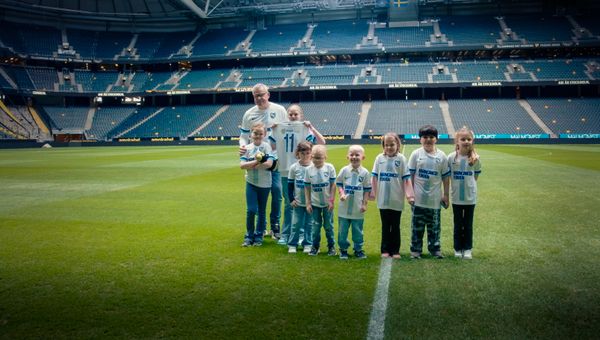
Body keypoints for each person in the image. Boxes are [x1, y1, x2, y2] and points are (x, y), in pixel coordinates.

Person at [239, 83, 288, 240]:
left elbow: (288, 129)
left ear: (268, 94)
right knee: (260, 192)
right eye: (256, 95)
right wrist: (242, 146)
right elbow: (243, 135)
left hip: (275, 158)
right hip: (255, 158)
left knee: (277, 191)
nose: (259, 98)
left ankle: (275, 226)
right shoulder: (249, 114)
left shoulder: (279, 110)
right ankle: (262, 227)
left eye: (261, 94)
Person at [272, 104, 326, 246]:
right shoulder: (279, 127)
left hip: (303, 170)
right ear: (287, 115)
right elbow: (271, 146)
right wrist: (273, 129)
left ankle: (301, 235)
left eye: (296, 114)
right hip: (285, 169)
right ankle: (286, 234)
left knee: (303, 202)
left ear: (300, 115)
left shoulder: (304, 127)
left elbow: (322, 142)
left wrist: (311, 127)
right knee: (289, 203)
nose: (293, 116)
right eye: (290, 114)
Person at [408, 125, 450, 259]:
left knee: (434, 228)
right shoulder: (416, 154)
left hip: (434, 200)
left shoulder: (442, 156)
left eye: (431, 137)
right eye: (425, 137)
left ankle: (435, 249)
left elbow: (445, 177)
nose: (428, 140)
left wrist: (446, 195)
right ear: (420, 139)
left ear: (436, 139)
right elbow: (411, 176)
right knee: (417, 228)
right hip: (418, 200)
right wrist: (410, 194)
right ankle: (416, 250)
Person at [370, 133, 415, 259]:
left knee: (395, 226)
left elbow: (406, 179)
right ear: (383, 146)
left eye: (392, 145)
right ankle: (385, 249)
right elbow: (374, 177)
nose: (389, 147)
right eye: (386, 145)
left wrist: (410, 196)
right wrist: (372, 194)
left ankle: (395, 250)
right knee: (385, 225)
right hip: (383, 199)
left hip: (396, 199)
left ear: (397, 145)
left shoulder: (401, 159)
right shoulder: (379, 158)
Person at [239, 122, 275, 247]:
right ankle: (249, 236)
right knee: (251, 210)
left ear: (264, 134)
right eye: (255, 133)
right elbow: (242, 165)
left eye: (260, 133)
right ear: (251, 134)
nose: (258, 135)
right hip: (251, 183)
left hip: (265, 184)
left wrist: (254, 163)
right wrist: (258, 161)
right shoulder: (246, 148)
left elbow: (269, 164)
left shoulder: (267, 147)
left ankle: (258, 236)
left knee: (261, 211)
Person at [448, 127, 481, 260]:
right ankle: (457, 248)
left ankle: (467, 249)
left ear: (472, 141)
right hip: (456, 197)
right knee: (457, 224)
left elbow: (476, 176)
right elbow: (447, 175)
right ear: (457, 141)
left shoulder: (475, 159)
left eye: (469, 139)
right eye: (463, 139)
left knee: (468, 225)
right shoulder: (451, 157)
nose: (466, 141)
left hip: (470, 198)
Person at [336, 145, 371, 260]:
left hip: (357, 208)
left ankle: (358, 249)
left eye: (357, 155)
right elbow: (339, 183)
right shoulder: (344, 170)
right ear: (347, 156)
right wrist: (341, 193)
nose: (354, 157)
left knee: (357, 231)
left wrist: (365, 204)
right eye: (352, 154)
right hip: (344, 208)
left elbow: (367, 189)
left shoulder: (365, 173)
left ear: (363, 157)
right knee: (342, 231)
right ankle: (343, 250)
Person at [305, 144, 337, 256]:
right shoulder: (308, 170)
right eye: (314, 157)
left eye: (319, 158)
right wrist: (308, 203)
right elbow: (307, 187)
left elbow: (333, 185)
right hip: (315, 205)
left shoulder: (329, 168)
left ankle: (331, 246)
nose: (316, 160)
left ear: (325, 157)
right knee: (315, 226)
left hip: (327, 204)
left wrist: (331, 200)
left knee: (328, 226)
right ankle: (315, 246)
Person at [286, 141, 314, 254]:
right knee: (296, 224)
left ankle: (308, 243)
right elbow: (289, 185)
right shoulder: (294, 167)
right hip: (298, 202)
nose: (305, 156)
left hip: (311, 203)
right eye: (303, 153)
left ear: (311, 153)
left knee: (309, 224)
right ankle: (292, 244)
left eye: (308, 153)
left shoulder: (314, 167)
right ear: (298, 153)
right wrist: (291, 199)